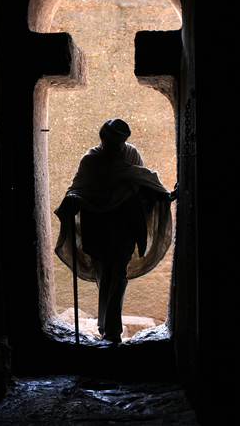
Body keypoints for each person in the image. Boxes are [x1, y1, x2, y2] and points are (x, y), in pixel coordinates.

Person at [54, 118, 178, 344]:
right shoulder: (92, 160)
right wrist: (72, 200)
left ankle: (111, 330)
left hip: (125, 223)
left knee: (118, 274)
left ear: (124, 142)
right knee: (104, 274)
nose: (114, 149)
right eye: (110, 144)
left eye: (118, 144)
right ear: (103, 140)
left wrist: (163, 195)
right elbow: (78, 188)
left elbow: (143, 181)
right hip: (98, 224)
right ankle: (106, 326)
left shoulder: (131, 156)